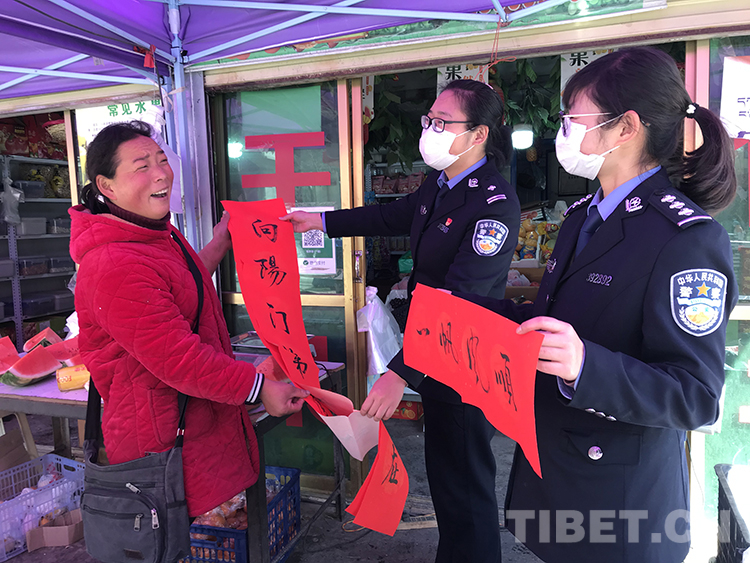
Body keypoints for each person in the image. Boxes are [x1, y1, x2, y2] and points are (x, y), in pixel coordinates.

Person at [458, 47, 738, 563]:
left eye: (573, 118)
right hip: (557, 474)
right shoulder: (584, 215)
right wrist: (465, 312)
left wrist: (586, 366)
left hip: (621, 505)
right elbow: (557, 322)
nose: (562, 130)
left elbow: (696, 397)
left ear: (625, 127)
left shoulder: (685, 238)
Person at [283, 79, 520, 563]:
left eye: (442, 122)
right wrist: (321, 222)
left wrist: (399, 373)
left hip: (464, 362)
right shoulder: (441, 182)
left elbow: (460, 302)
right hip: (433, 357)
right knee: (447, 480)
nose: (429, 129)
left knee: (466, 487)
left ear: (478, 134)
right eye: (429, 119)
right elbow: (393, 217)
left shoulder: (493, 204)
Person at [69, 121, 309, 522]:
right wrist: (258, 387)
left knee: (196, 529)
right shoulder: (113, 262)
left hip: (188, 423)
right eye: (142, 166)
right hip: (160, 439)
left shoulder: (155, 235)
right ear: (106, 186)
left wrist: (219, 244)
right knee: (172, 535)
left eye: (162, 160)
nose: (161, 174)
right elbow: (179, 358)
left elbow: (182, 284)